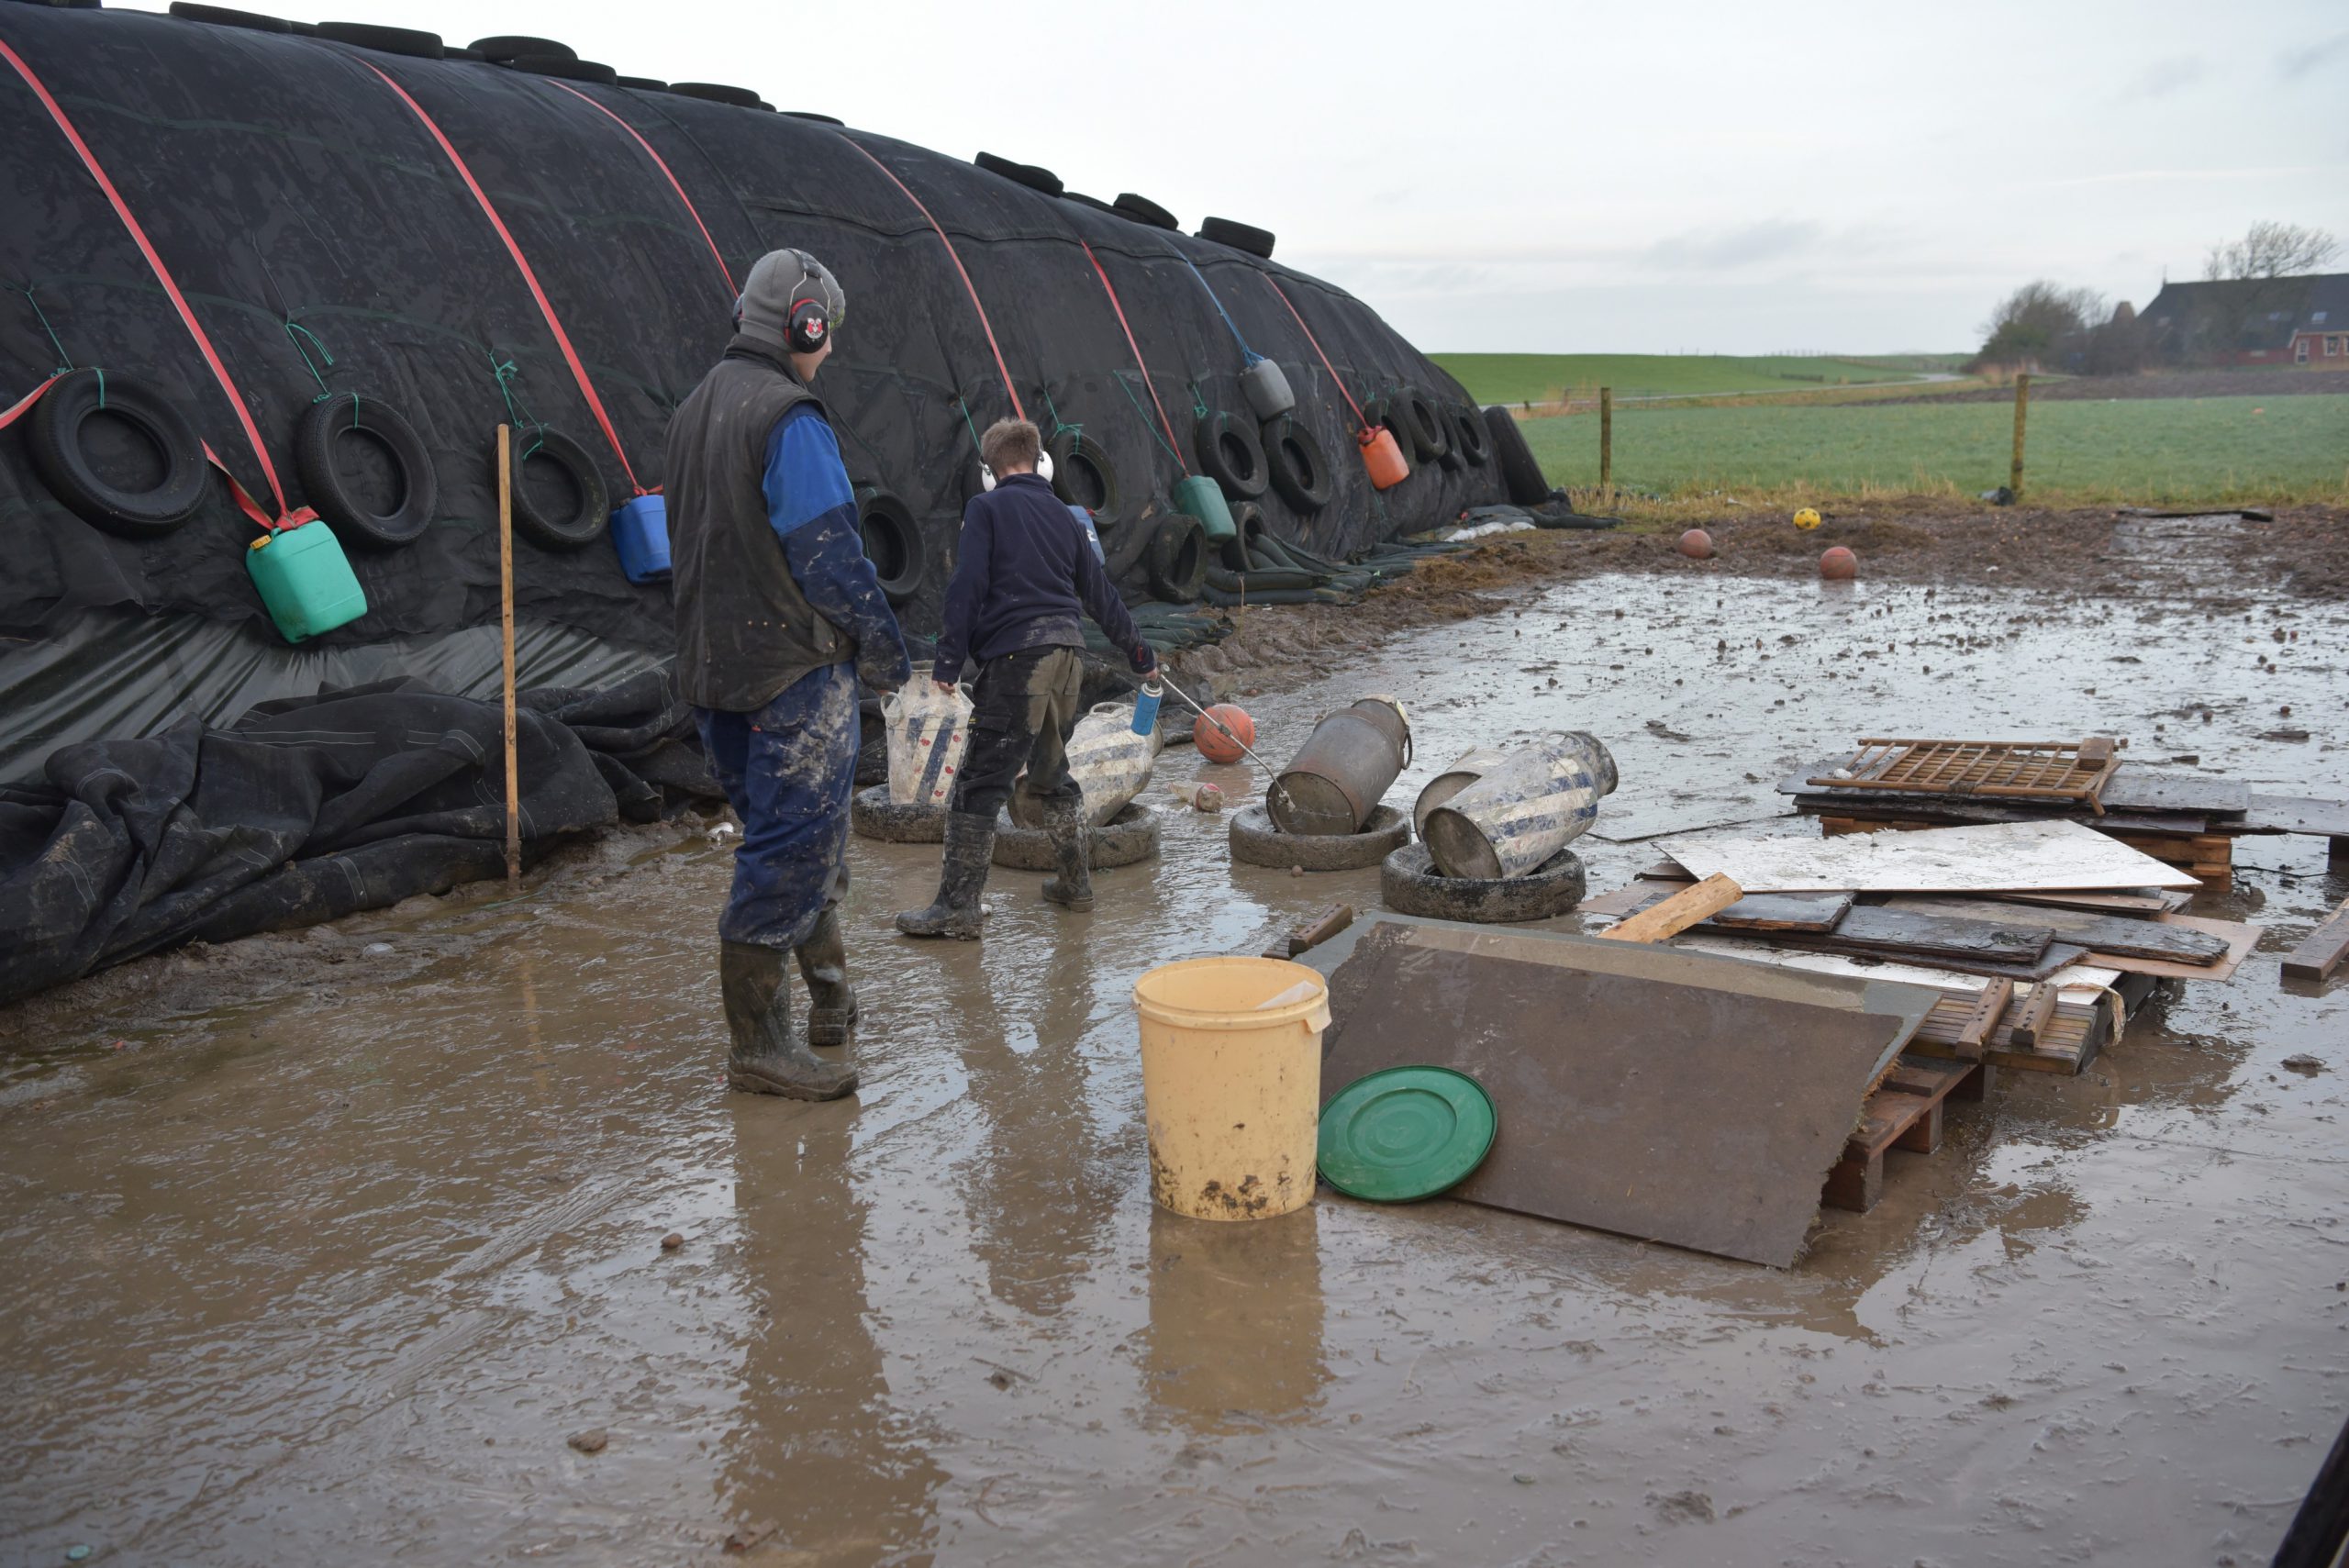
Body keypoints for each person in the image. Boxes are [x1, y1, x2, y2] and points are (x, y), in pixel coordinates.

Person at [666, 247, 910, 1098]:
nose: (830, 347)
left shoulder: (692, 411)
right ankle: (759, 1047)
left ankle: (831, 1002)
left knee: (796, 836)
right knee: (791, 849)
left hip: (715, 671)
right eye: (825, 331)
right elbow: (829, 552)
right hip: (791, 671)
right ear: (802, 325)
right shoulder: (789, 416)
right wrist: (884, 649)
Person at [896, 418, 1155, 940]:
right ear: (1041, 463)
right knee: (1052, 772)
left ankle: (958, 908)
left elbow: (967, 585)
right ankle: (1075, 886)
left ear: (989, 471)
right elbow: (1100, 595)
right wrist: (1140, 654)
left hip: (1019, 659)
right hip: (1069, 658)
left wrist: (948, 662)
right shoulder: (1067, 516)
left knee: (979, 783)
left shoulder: (985, 509)